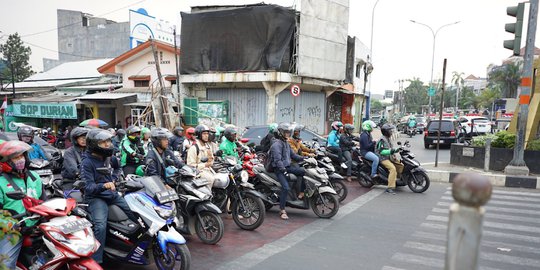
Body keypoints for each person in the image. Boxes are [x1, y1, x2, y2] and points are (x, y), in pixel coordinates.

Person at [81, 128, 136, 264]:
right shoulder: (87, 162)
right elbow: (88, 188)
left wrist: (115, 179)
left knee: (134, 213)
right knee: (100, 225)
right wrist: (104, 185)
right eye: (103, 142)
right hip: (96, 197)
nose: (108, 145)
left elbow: (118, 168)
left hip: (112, 194)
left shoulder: (109, 157)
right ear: (94, 144)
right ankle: (96, 261)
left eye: (108, 141)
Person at [0, 140, 44, 269]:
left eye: (22, 156)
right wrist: (16, 226)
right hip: (13, 230)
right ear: (7, 161)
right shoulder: (1, 182)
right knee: (5, 265)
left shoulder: (34, 176)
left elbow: (44, 201)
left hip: (37, 225)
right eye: (15, 157)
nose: (20, 160)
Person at [268, 123, 306, 220]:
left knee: (303, 172)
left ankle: (301, 193)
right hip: (279, 169)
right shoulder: (276, 145)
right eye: (286, 133)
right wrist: (284, 171)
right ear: (280, 133)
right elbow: (277, 161)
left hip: (287, 166)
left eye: (289, 133)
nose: (288, 135)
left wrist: (304, 158)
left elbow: (293, 155)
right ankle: (282, 210)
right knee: (285, 187)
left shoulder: (286, 143)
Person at [376, 124, 404, 195]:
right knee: (393, 169)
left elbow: (391, 148)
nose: (391, 132)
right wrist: (392, 151)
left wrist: (395, 152)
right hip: (382, 158)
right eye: (390, 131)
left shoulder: (388, 138)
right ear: (386, 132)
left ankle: (396, 181)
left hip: (389, 157)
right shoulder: (382, 140)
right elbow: (381, 151)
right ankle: (390, 188)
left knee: (401, 166)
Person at [186, 125, 216, 190]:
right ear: (199, 135)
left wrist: (211, 159)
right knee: (210, 179)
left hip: (209, 170)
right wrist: (204, 165)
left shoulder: (208, 146)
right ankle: (208, 197)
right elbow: (190, 165)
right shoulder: (194, 148)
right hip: (198, 172)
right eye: (204, 134)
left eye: (207, 133)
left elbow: (211, 160)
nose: (207, 135)